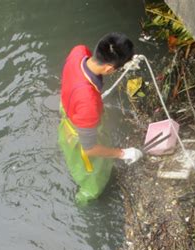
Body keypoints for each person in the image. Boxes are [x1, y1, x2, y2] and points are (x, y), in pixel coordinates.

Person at [58, 32, 143, 204]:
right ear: (110, 69)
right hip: (80, 135)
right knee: (93, 185)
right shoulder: (88, 102)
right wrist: (122, 153)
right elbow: (89, 148)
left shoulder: (79, 51)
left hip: (69, 108)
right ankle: (82, 204)